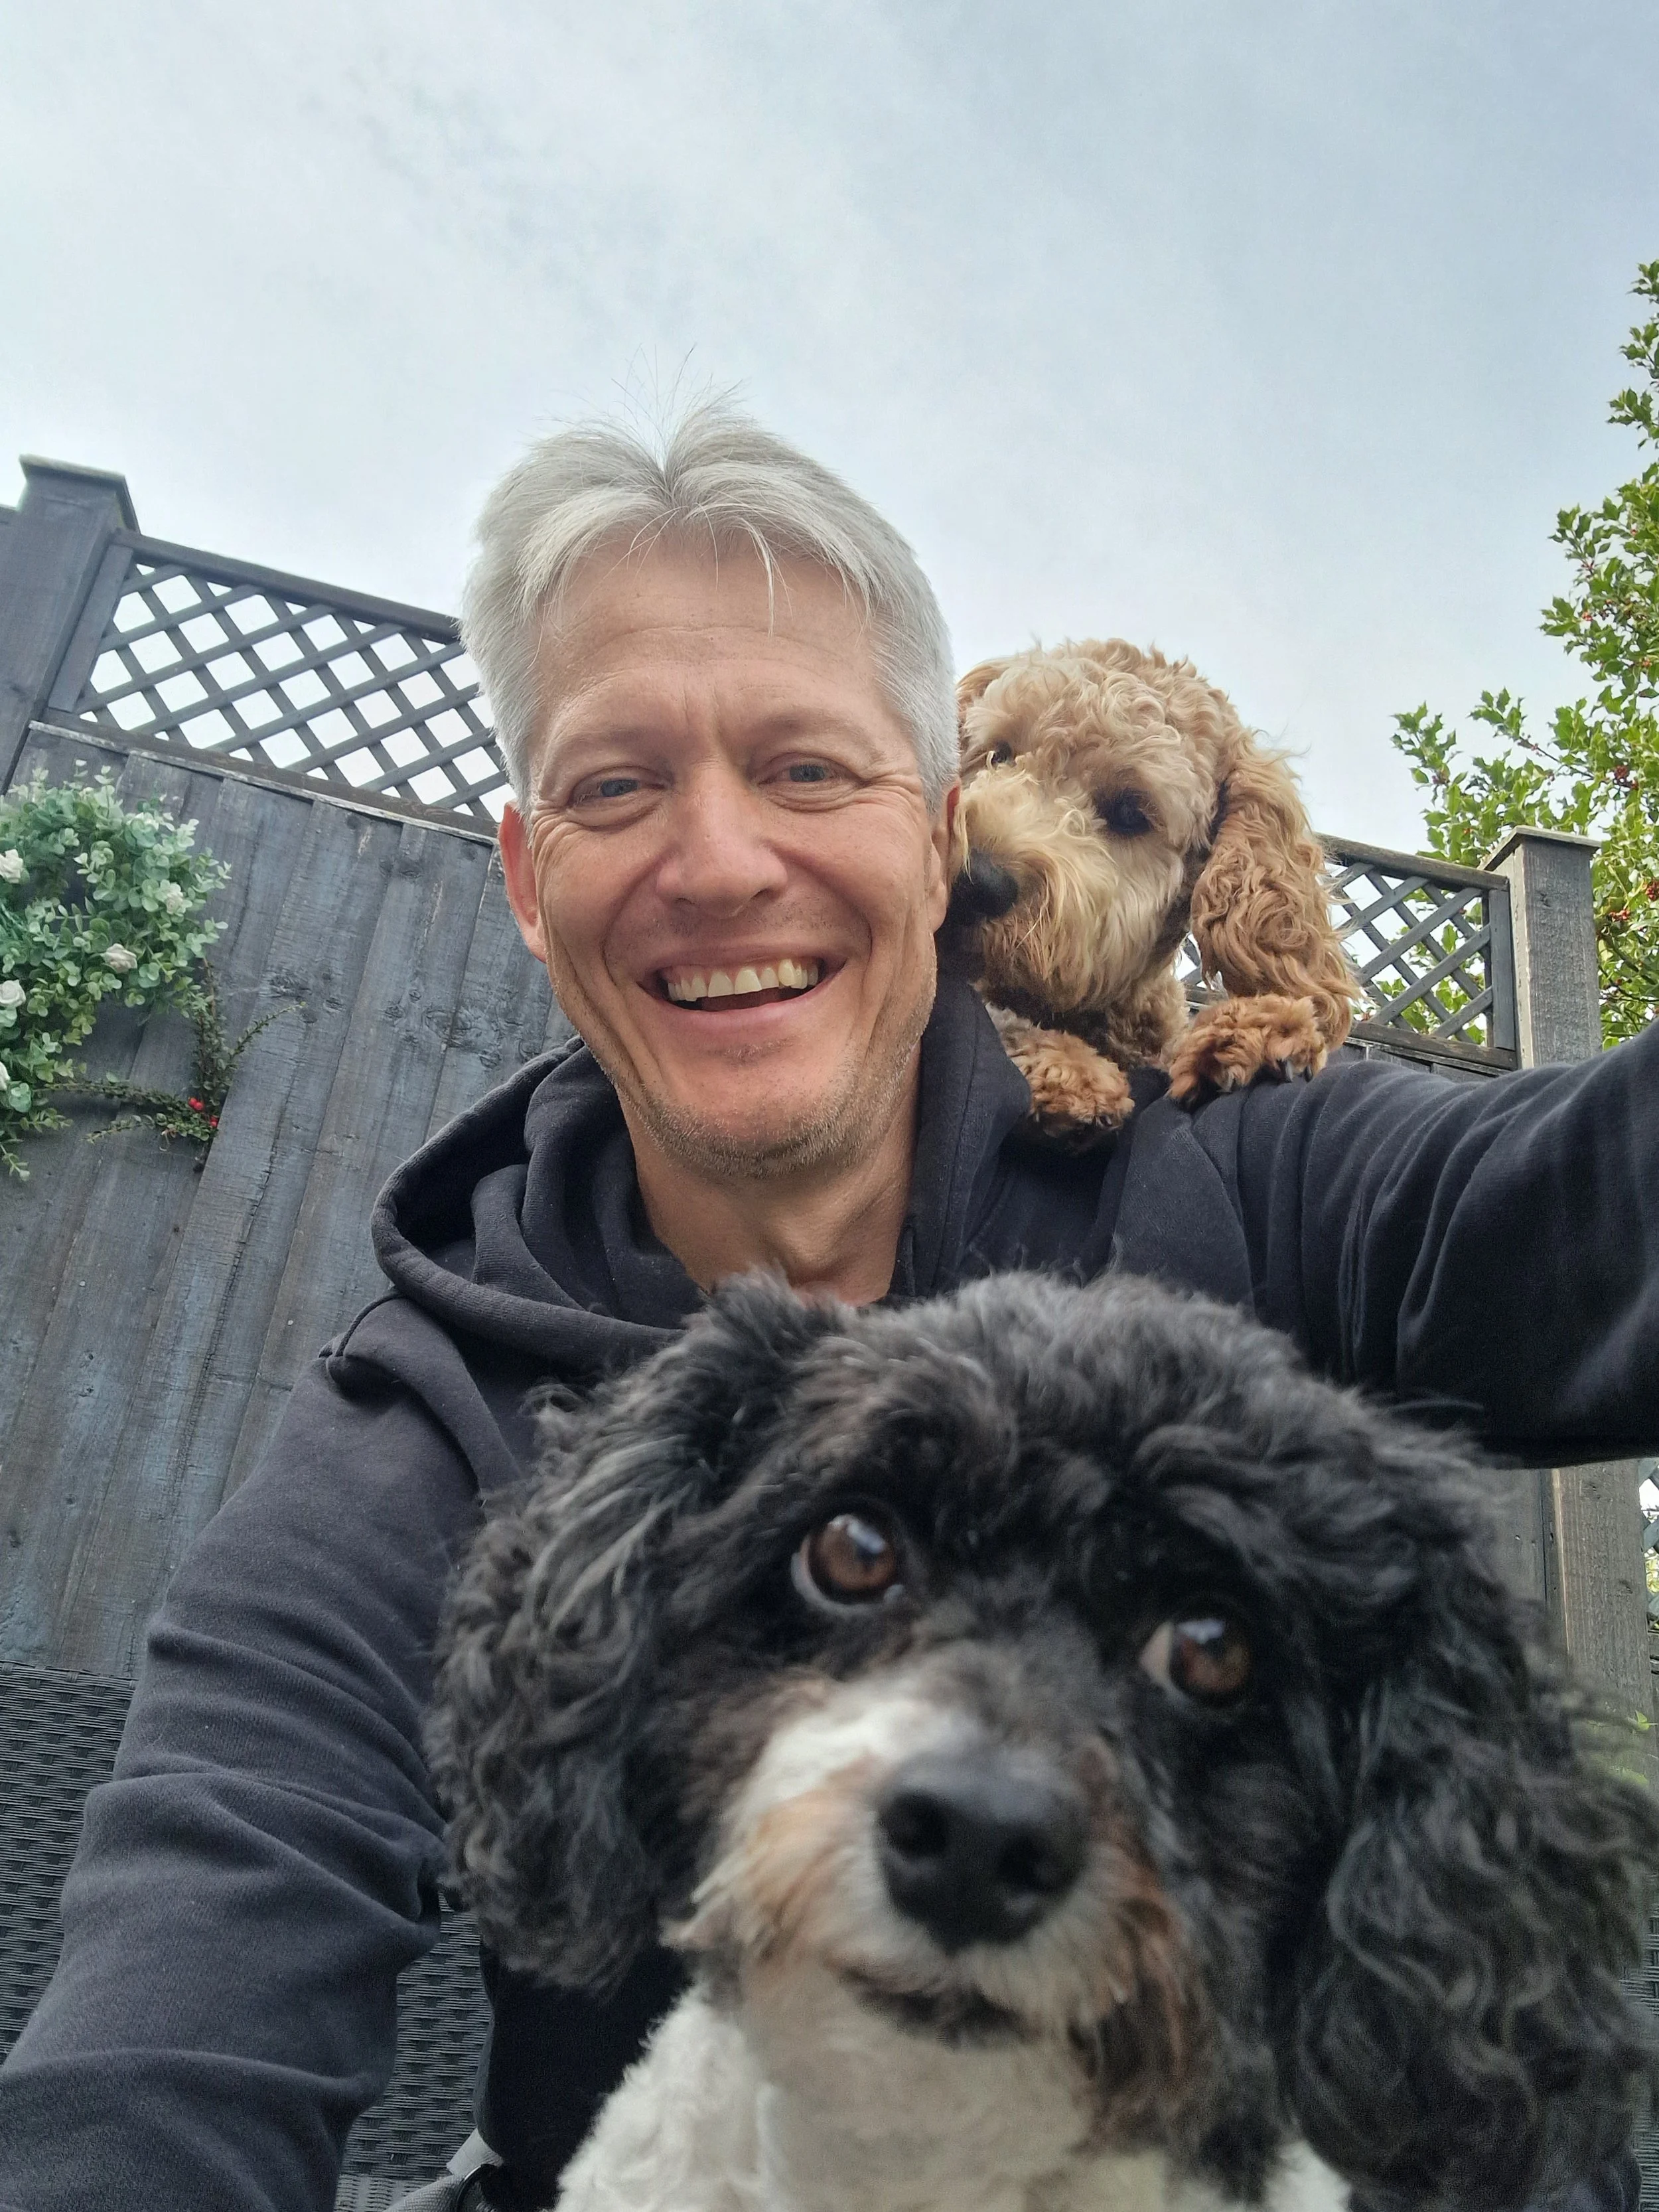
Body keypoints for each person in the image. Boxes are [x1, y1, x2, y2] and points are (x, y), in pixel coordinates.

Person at [1, 401, 1654, 2212]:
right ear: (528, 881)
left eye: (807, 771)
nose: (719, 864)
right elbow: (172, 2009)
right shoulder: (426, 1419)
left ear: (938, 835)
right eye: (614, 784)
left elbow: (1582, 1209)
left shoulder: (1241, 1158)